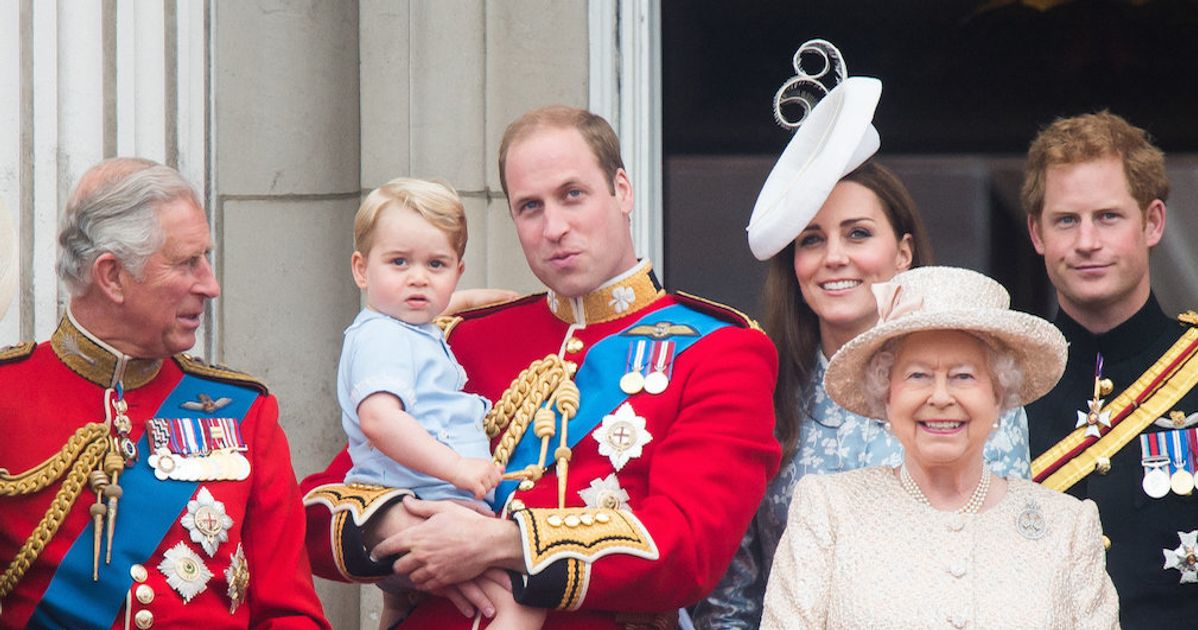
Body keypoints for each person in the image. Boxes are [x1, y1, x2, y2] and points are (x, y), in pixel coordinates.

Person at [300, 105, 781, 629]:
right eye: (530, 207)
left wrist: (502, 542)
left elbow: (687, 551)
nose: (554, 227)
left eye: (572, 194)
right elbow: (313, 514)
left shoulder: (720, 349)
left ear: (622, 190)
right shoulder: (462, 339)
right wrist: (395, 523)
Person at [694, 42, 1031, 629]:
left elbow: (1010, 566)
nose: (834, 258)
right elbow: (729, 601)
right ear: (791, 265)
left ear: (902, 253)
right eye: (812, 239)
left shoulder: (978, 388)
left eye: (857, 234)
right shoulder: (761, 398)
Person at [0, 158, 329, 628]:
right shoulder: (7, 397)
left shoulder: (245, 413)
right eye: (187, 263)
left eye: (206, 259)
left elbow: (291, 613)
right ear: (112, 276)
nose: (210, 285)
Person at [761, 265, 1118, 629]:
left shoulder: (1068, 526)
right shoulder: (828, 511)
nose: (941, 397)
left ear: (999, 395)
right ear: (886, 394)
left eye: (963, 376)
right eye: (918, 375)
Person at [337, 177, 540, 629]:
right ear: (361, 269)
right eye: (399, 262)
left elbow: (441, 306)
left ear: (456, 273)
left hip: (418, 495)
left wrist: (486, 301)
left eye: (436, 265)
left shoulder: (403, 323)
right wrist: (458, 469)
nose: (418, 278)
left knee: (401, 609)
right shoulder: (383, 337)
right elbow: (379, 419)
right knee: (520, 601)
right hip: (427, 500)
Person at [1023, 111, 1198, 627]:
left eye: (1108, 217)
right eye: (1066, 220)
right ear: (1037, 233)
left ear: (1153, 222)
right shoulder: (998, 382)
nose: (1086, 242)